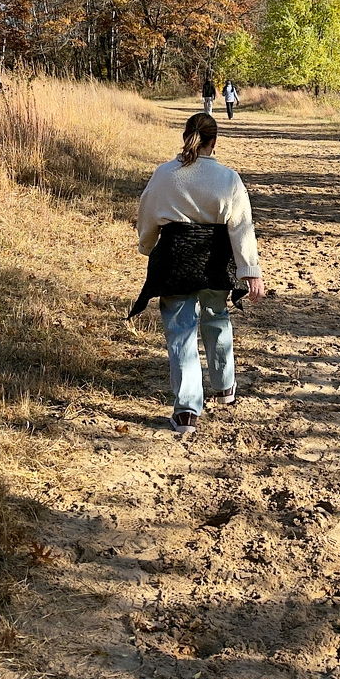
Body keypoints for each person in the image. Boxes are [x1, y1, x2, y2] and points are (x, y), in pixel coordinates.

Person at [129, 112, 266, 439]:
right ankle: (224, 388)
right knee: (216, 319)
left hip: (175, 260)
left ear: (185, 137)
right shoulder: (228, 178)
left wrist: (147, 246)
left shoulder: (164, 175)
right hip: (214, 263)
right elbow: (241, 229)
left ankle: (188, 410)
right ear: (214, 142)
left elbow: (147, 216)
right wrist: (250, 272)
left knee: (181, 331)